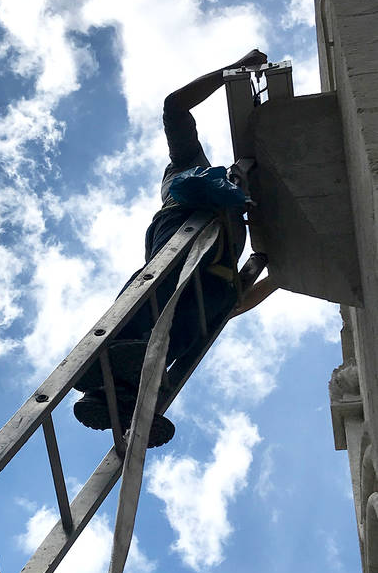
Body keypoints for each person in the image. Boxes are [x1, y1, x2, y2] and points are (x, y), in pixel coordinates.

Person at [74, 49, 276, 447]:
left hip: (213, 276)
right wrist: (233, 69)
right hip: (185, 231)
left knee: (185, 328)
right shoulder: (187, 172)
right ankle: (108, 369)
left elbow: (236, 305)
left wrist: (280, 278)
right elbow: (174, 106)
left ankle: (122, 392)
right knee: (160, 287)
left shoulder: (245, 210)